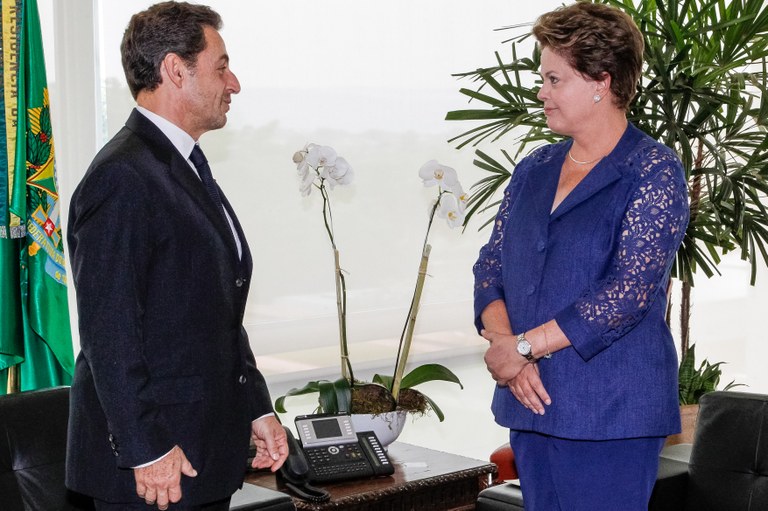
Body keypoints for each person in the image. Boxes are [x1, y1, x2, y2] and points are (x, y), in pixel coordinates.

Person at [65, 2, 288, 510]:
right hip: (155, 470)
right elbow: (108, 328)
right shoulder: (122, 175)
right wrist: (145, 450)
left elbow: (216, 308)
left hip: (200, 456)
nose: (234, 84)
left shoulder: (179, 164)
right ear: (174, 69)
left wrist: (255, 407)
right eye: (221, 66)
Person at [474, 2, 689, 510]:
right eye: (541, 78)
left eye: (554, 79)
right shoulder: (534, 167)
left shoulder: (654, 170)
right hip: (529, 403)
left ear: (601, 81)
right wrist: (507, 348)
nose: (541, 92)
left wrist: (523, 349)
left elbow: (627, 293)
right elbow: (491, 264)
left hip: (610, 412)